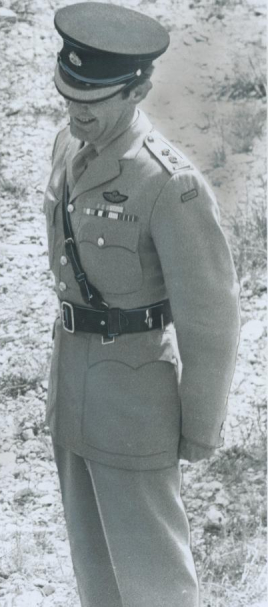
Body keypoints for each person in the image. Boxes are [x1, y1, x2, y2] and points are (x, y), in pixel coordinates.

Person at [42, 4, 240, 606]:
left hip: (135, 401)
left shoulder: (168, 184)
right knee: (95, 568)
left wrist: (200, 426)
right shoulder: (66, 147)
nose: (77, 112)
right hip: (73, 384)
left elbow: (211, 317)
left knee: (154, 579)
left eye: (93, 102)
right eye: (68, 95)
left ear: (138, 90)